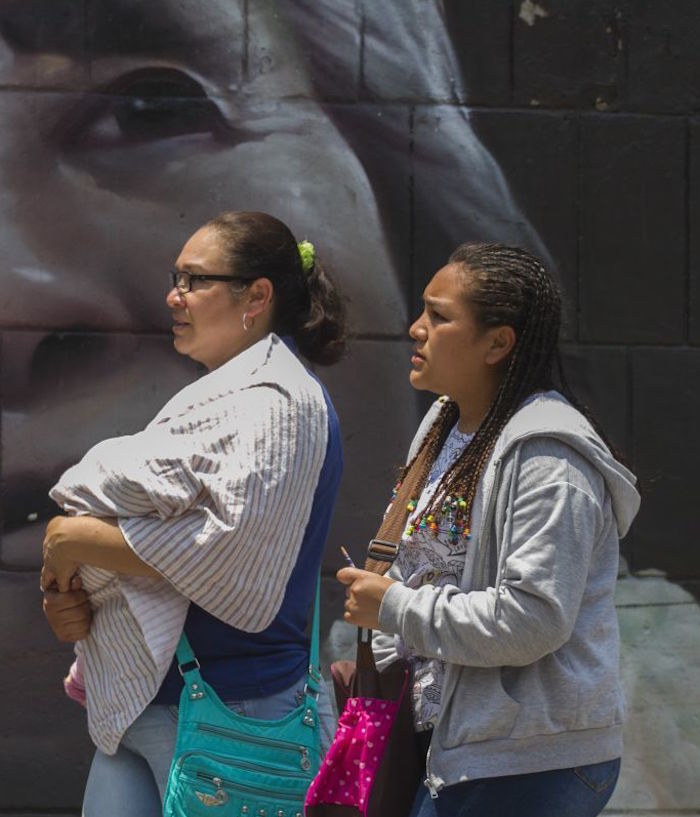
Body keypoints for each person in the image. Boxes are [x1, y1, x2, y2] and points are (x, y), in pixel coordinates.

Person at [41, 210, 346, 816]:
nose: (172, 296)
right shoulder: (223, 394)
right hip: (143, 705)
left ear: (256, 296)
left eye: (193, 280)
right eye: (175, 277)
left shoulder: (280, 404)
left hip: (236, 711)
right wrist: (69, 590)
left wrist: (73, 536)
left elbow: (224, 554)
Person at [337, 243, 640, 817]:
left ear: (498, 343)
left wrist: (395, 608)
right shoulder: (442, 420)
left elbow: (532, 619)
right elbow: (420, 561)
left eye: (439, 315)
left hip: (527, 761)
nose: (416, 328)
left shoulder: (550, 458)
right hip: (450, 748)